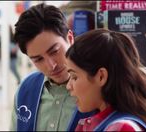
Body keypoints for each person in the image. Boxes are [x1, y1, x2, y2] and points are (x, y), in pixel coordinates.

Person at [10, 3, 94, 131]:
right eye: (38, 59)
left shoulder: (97, 88)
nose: (51, 65)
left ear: (70, 39)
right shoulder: (25, 90)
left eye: (54, 51)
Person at [65, 29, 146, 131]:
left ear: (101, 76)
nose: (68, 86)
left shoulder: (122, 128)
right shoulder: (95, 122)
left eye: (74, 77)